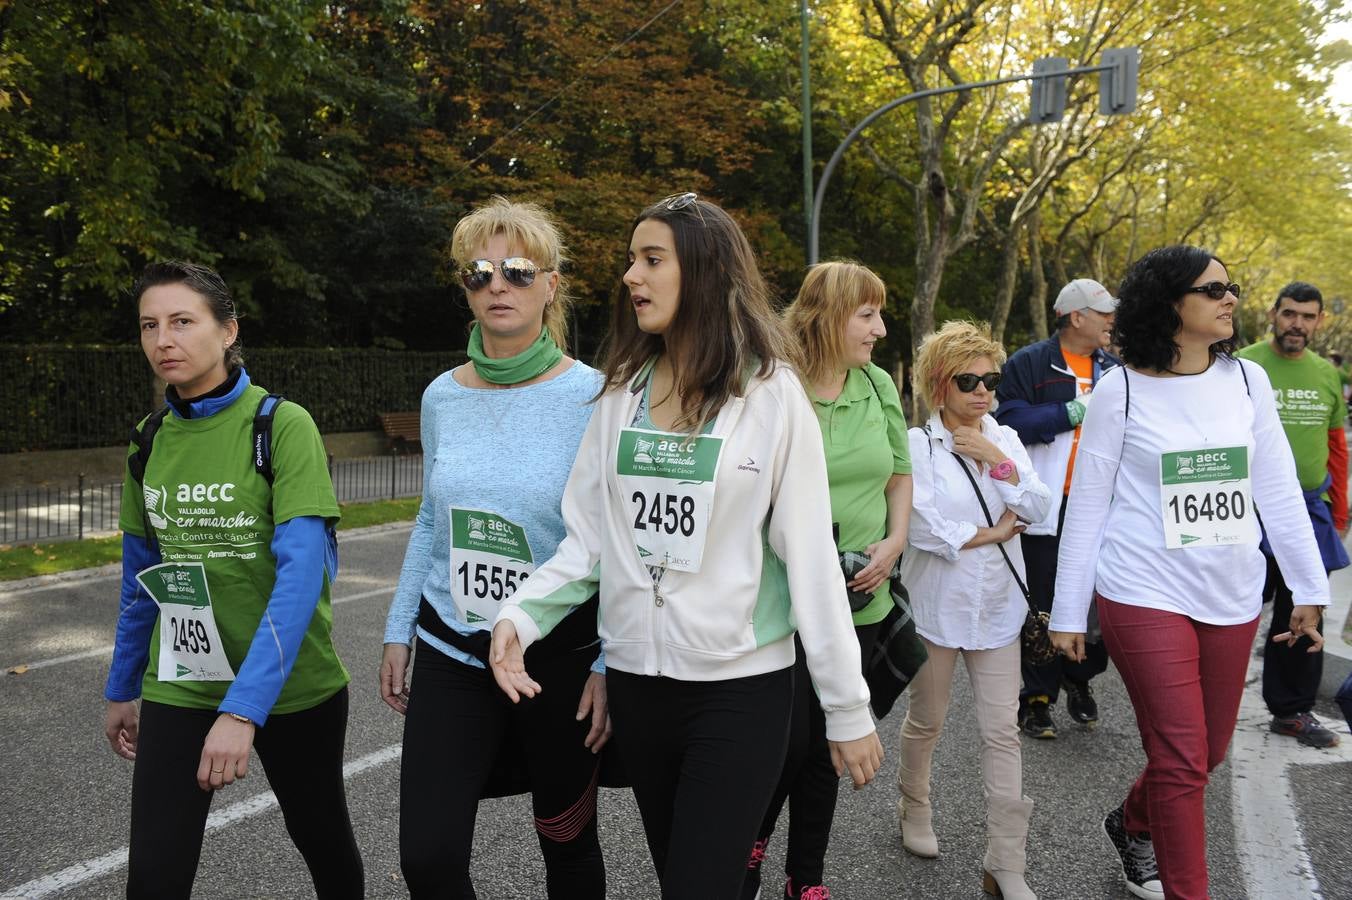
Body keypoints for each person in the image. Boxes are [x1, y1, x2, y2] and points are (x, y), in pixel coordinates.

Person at [488, 193, 883, 899]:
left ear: (703, 270)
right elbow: (587, 542)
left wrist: (847, 708)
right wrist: (519, 617)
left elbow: (813, 563)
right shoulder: (620, 396)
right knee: (689, 881)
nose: (631, 277)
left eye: (651, 260)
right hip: (642, 692)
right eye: (631, 260)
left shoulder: (770, 394)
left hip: (742, 691)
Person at [1050, 246, 1329, 900]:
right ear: (1169, 303)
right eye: (1212, 289)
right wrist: (1067, 613)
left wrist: (1309, 588)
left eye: (1229, 287)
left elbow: (1279, 488)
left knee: (1208, 755)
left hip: (1231, 590)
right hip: (1143, 587)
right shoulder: (1119, 388)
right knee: (1180, 759)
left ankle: (1133, 822)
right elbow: (1088, 500)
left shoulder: (1247, 381)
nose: (1230, 298)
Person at [103, 260, 362, 899]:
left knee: (323, 842)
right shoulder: (147, 441)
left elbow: (302, 577)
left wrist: (244, 710)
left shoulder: (282, 425)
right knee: (155, 877)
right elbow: (143, 578)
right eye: (149, 326)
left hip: (290, 686)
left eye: (183, 322)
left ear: (227, 332)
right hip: (183, 684)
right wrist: (121, 685)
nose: (163, 340)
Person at [380, 196, 608, 898]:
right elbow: (430, 518)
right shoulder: (442, 396)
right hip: (455, 645)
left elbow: (612, 541)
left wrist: (609, 658)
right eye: (479, 273)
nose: (497, 286)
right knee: (428, 857)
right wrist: (398, 629)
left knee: (566, 842)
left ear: (551, 284)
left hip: (558, 654)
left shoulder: (596, 396)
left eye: (516, 270)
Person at [744, 261, 914, 900]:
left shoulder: (877, 385)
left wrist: (895, 542)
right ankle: (748, 846)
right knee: (785, 745)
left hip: (864, 602)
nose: (880, 329)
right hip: (788, 602)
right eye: (866, 315)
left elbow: (899, 471)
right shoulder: (770, 386)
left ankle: (805, 879)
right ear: (825, 318)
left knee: (827, 749)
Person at [898, 321, 1052, 900]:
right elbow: (926, 527)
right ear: (940, 385)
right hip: (938, 607)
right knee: (927, 721)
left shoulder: (1005, 439)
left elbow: (1039, 504)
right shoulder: (918, 444)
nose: (983, 391)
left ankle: (1006, 863)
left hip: (998, 612)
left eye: (992, 379)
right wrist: (996, 532)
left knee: (1002, 734)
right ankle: (914, 807)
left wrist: (998, 460)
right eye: (969, 380)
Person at [995, 279, 1120, 738]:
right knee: (1042, 604)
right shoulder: (1030, 362)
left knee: (1092, 603)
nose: (1111, 320)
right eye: (1103, 312)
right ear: (1075, 316)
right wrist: (1072, 412)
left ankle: (1079, 678)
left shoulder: (1114, 367)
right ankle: (1037, 699)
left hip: (1101, 509)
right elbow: (1007, 422)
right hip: (1047, 507)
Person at [1237, 281, 1347, 749]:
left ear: (1319, 321)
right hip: (1245, 509)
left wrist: (1338, 508)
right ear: (1273, 314)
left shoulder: (1326, 374)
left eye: (1307, 316)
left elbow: (1335, 444)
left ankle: (1293, 710)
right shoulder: (1242, 365)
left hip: (1307, 510)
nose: (1297, 324)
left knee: (1305, 608)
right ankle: (1197, 693)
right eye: (1289, 314)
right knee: (1231, 604)